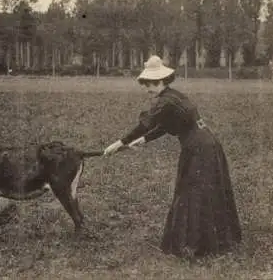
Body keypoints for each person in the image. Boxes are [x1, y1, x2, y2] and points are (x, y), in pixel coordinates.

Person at [103, 55, 242, 260]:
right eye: (146, 85)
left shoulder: (166, 101)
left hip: (199, 148)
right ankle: (212, 240)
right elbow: (165, 125)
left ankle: (194, 245)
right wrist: (144, 140)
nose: (147, 89)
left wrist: (119, 143)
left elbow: (146, 124)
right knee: (202, 190)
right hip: (207, 144)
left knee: (192, 192)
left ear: (162, 81)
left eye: (151, 84)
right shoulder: (173, 96)